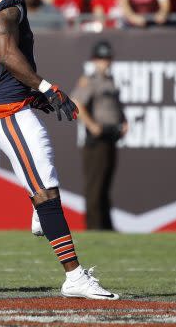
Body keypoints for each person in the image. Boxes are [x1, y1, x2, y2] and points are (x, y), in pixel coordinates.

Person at [0, 0, 118, 300]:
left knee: (43, 171)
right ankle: (74, 277)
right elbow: (4, 50)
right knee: (46, 191)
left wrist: (29, 93)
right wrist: (43, 85)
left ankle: (40, 213)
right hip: (6, 112)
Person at [71, 41, 127, 231]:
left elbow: (116, 106)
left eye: (108, 58)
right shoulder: (89, 80)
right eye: (102, 58)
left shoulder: (110, 80)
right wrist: (92, 125)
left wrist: (124, 121)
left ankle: (106, 225)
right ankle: (94, 226)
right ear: (94, 60)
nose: (105, 62)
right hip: (96, 139)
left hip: (111, 136)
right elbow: (77, 103)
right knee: (95, 185)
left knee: (105, 183)